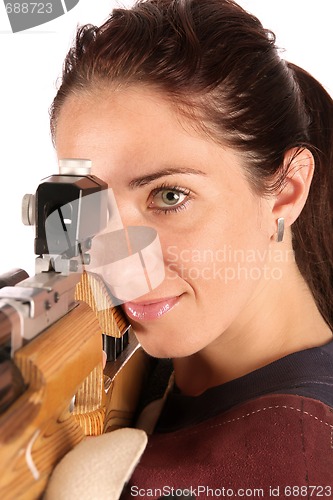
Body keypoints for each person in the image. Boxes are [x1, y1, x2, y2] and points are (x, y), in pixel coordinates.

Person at [48, 0, 333, 497]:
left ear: (286, 191)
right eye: (89, 205)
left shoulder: (298, 464)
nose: (115, 258)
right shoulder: (146, 365)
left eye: (169, 196)